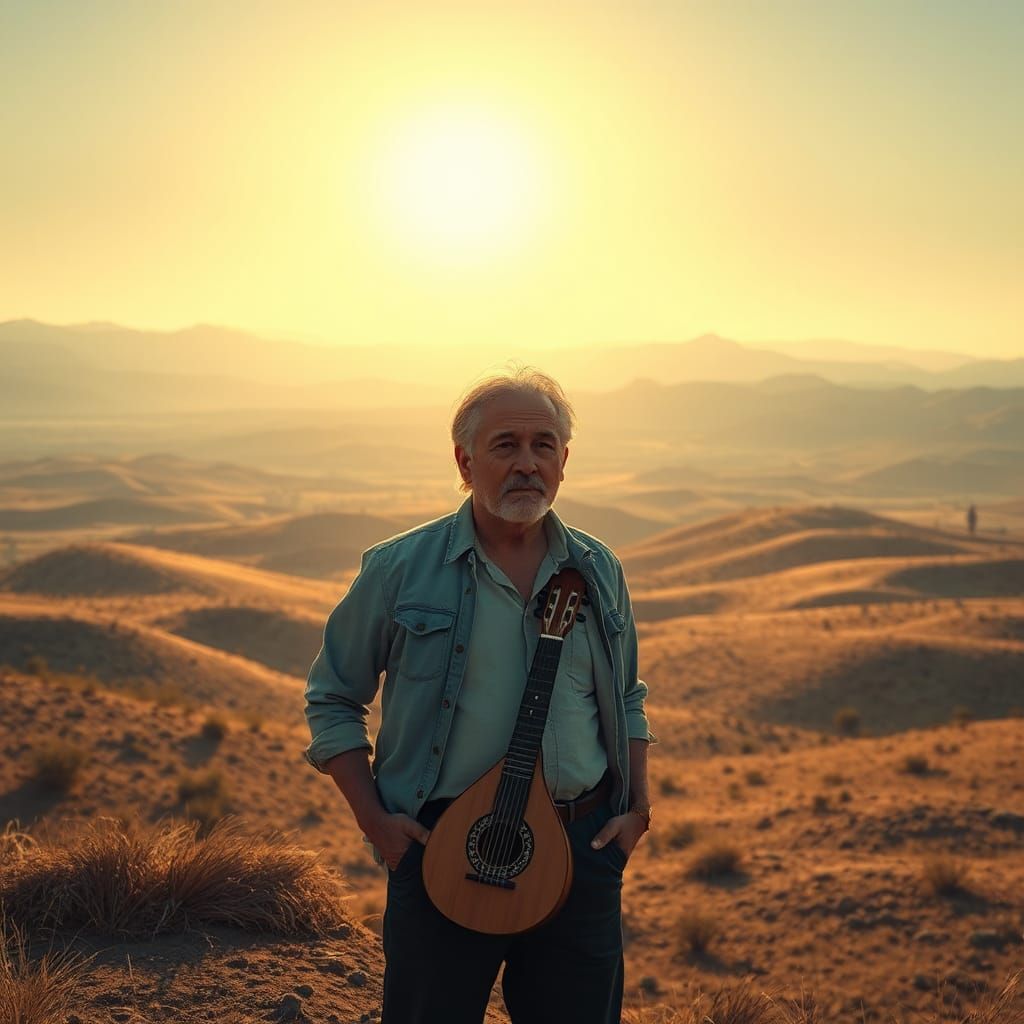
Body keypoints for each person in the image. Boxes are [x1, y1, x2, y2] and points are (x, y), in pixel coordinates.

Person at [303, 368, 654, 1024]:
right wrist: (378, 826)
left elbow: (628, 695)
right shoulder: (398, 570)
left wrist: (636, 812)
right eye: (506, 445)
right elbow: (331, 698)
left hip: (582, 853)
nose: (528, 464)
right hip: (440, 851)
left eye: (544, 445)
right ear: (464, 463)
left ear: (565, 460)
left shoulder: (599, 571)